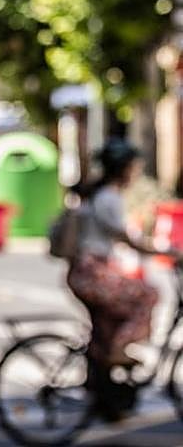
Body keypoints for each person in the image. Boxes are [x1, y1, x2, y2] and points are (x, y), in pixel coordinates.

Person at [67, 139, 173, 368]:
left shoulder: (97, 194)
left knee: (106, 326)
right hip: (92, 272)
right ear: (123, 169)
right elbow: (128, 239)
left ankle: (103, 379)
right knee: (149, 295)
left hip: (85, 271)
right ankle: (117, 352)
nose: (136, 174)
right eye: (134, 168)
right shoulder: (108, 198)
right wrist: (168, 251)